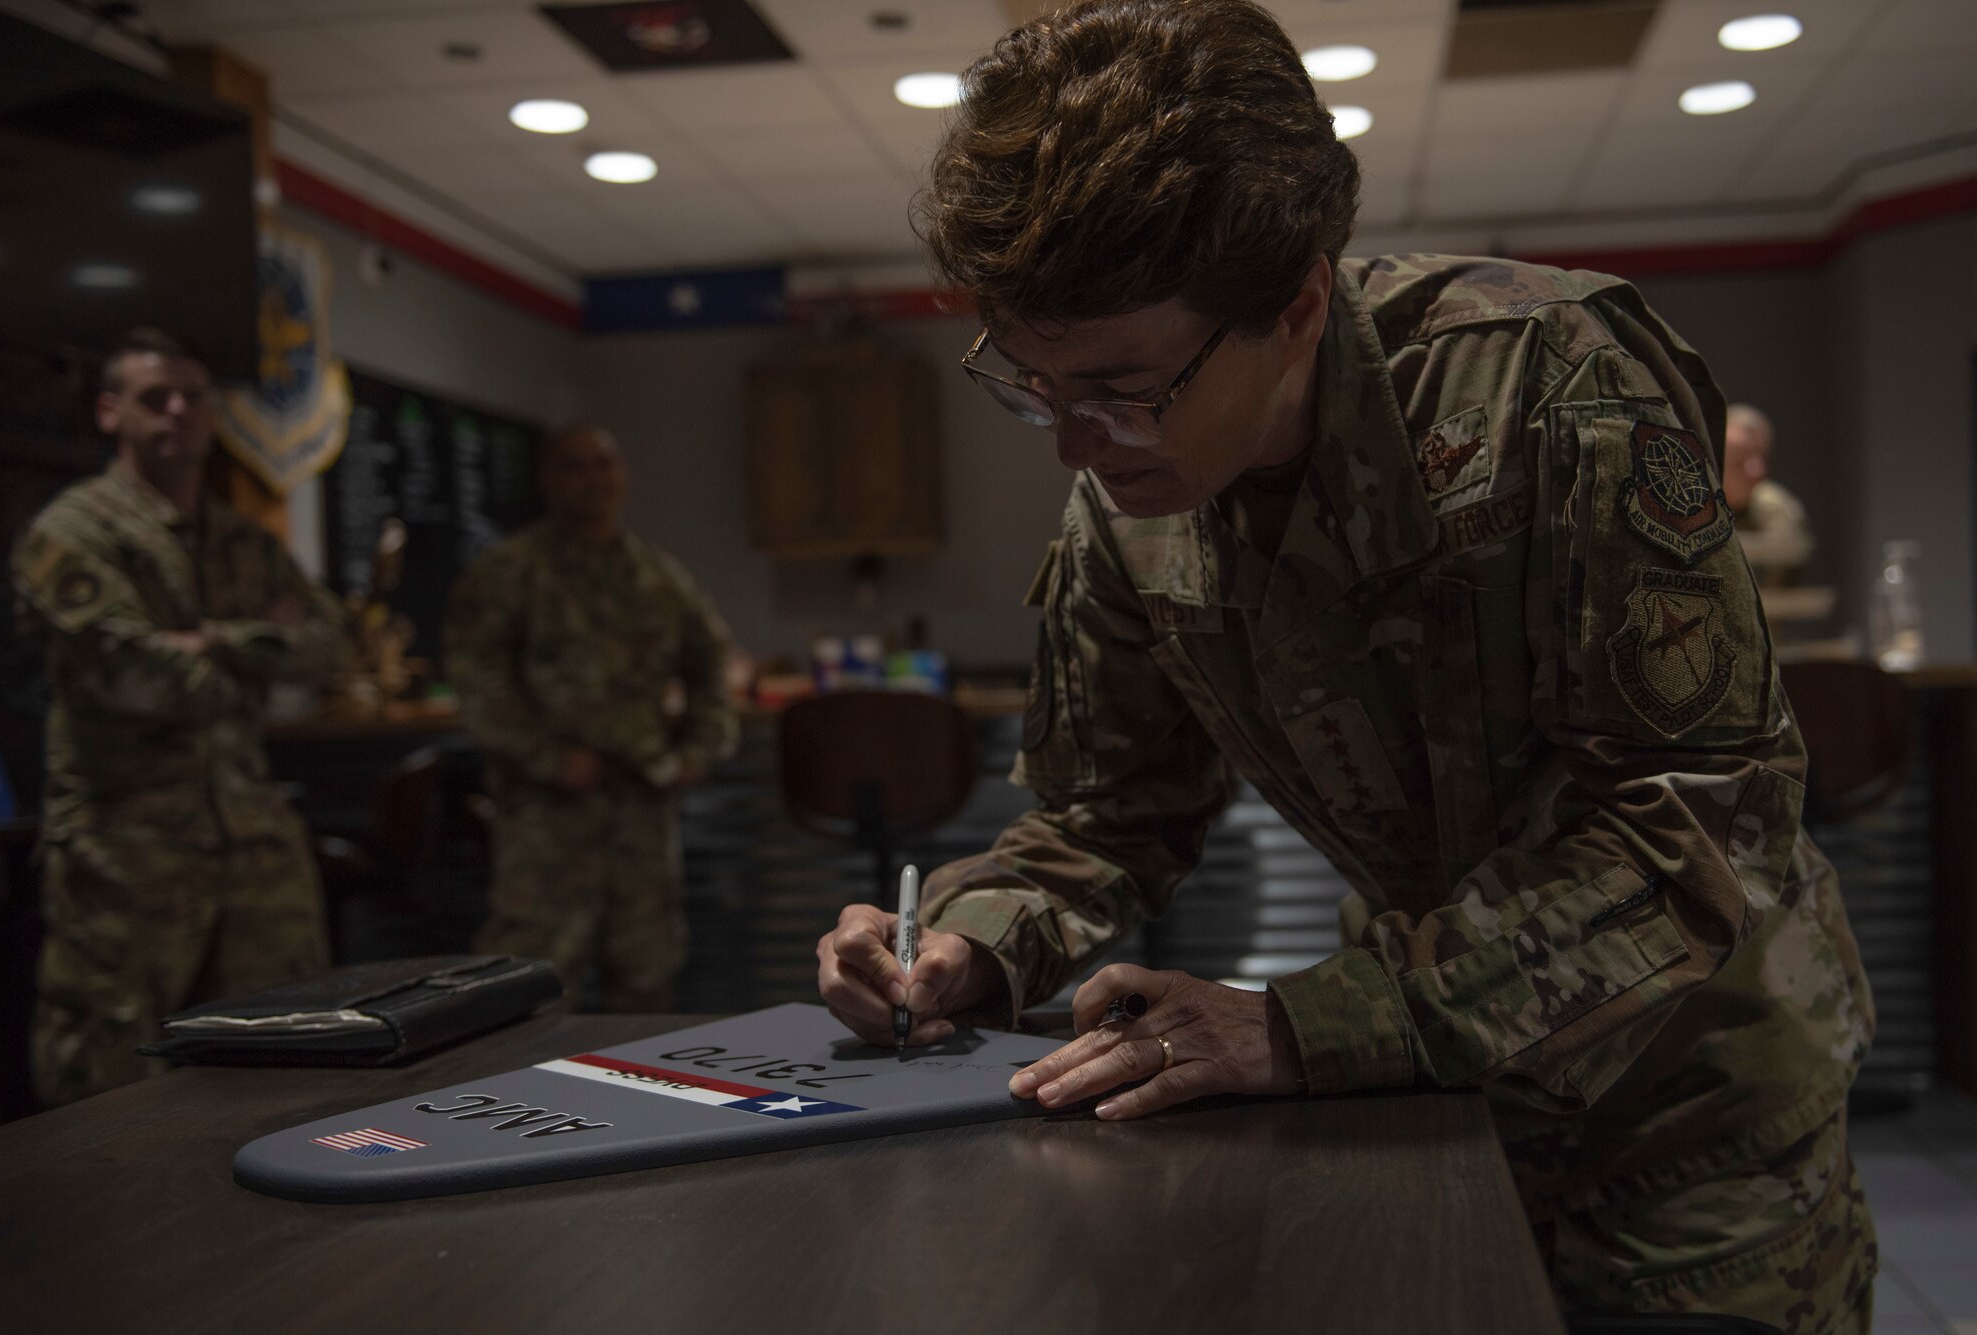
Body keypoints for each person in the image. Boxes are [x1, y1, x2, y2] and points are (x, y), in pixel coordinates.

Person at [813, 3, 1877, 1330]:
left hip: (1687, 1125)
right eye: (1031, 385)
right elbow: (1110, 814)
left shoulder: (1551, 389)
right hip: (1423, 1096)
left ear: (1300, 304)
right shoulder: (1134, 488)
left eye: (1124, 389)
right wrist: (964, 938)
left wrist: (1304, 1027)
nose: (1074, 449)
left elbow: (1701, 833)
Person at [13, 327, 348, 1106]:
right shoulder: (72, 531)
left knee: (293, 1071)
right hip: (129, 853)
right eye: (152, 398)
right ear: (109, 412)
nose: (177, 412)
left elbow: (332, 650)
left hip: (254, 845)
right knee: (111, 1083)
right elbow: (131, 673)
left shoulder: (241, 539)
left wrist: (213, 640)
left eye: (193, 397)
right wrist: (256, 663)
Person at [445, 423, 737, 1012]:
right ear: (548, 480)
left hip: (642, 812)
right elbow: (477, 683)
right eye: (574, 467)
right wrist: (550, 758)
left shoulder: (657, 576)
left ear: (622, 477)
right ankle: (527, 1104)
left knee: (647, 984)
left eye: (604, 465)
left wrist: (696, 755)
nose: (593, 481)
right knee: (536, 985)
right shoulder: (509, 572)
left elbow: (715, 669)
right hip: (547, 817)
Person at [1723, 403, 1815, 585]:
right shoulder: (1686, 511)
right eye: (1740, 459)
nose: (1758, 470)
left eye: (1762, 456)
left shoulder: (1776, 508)